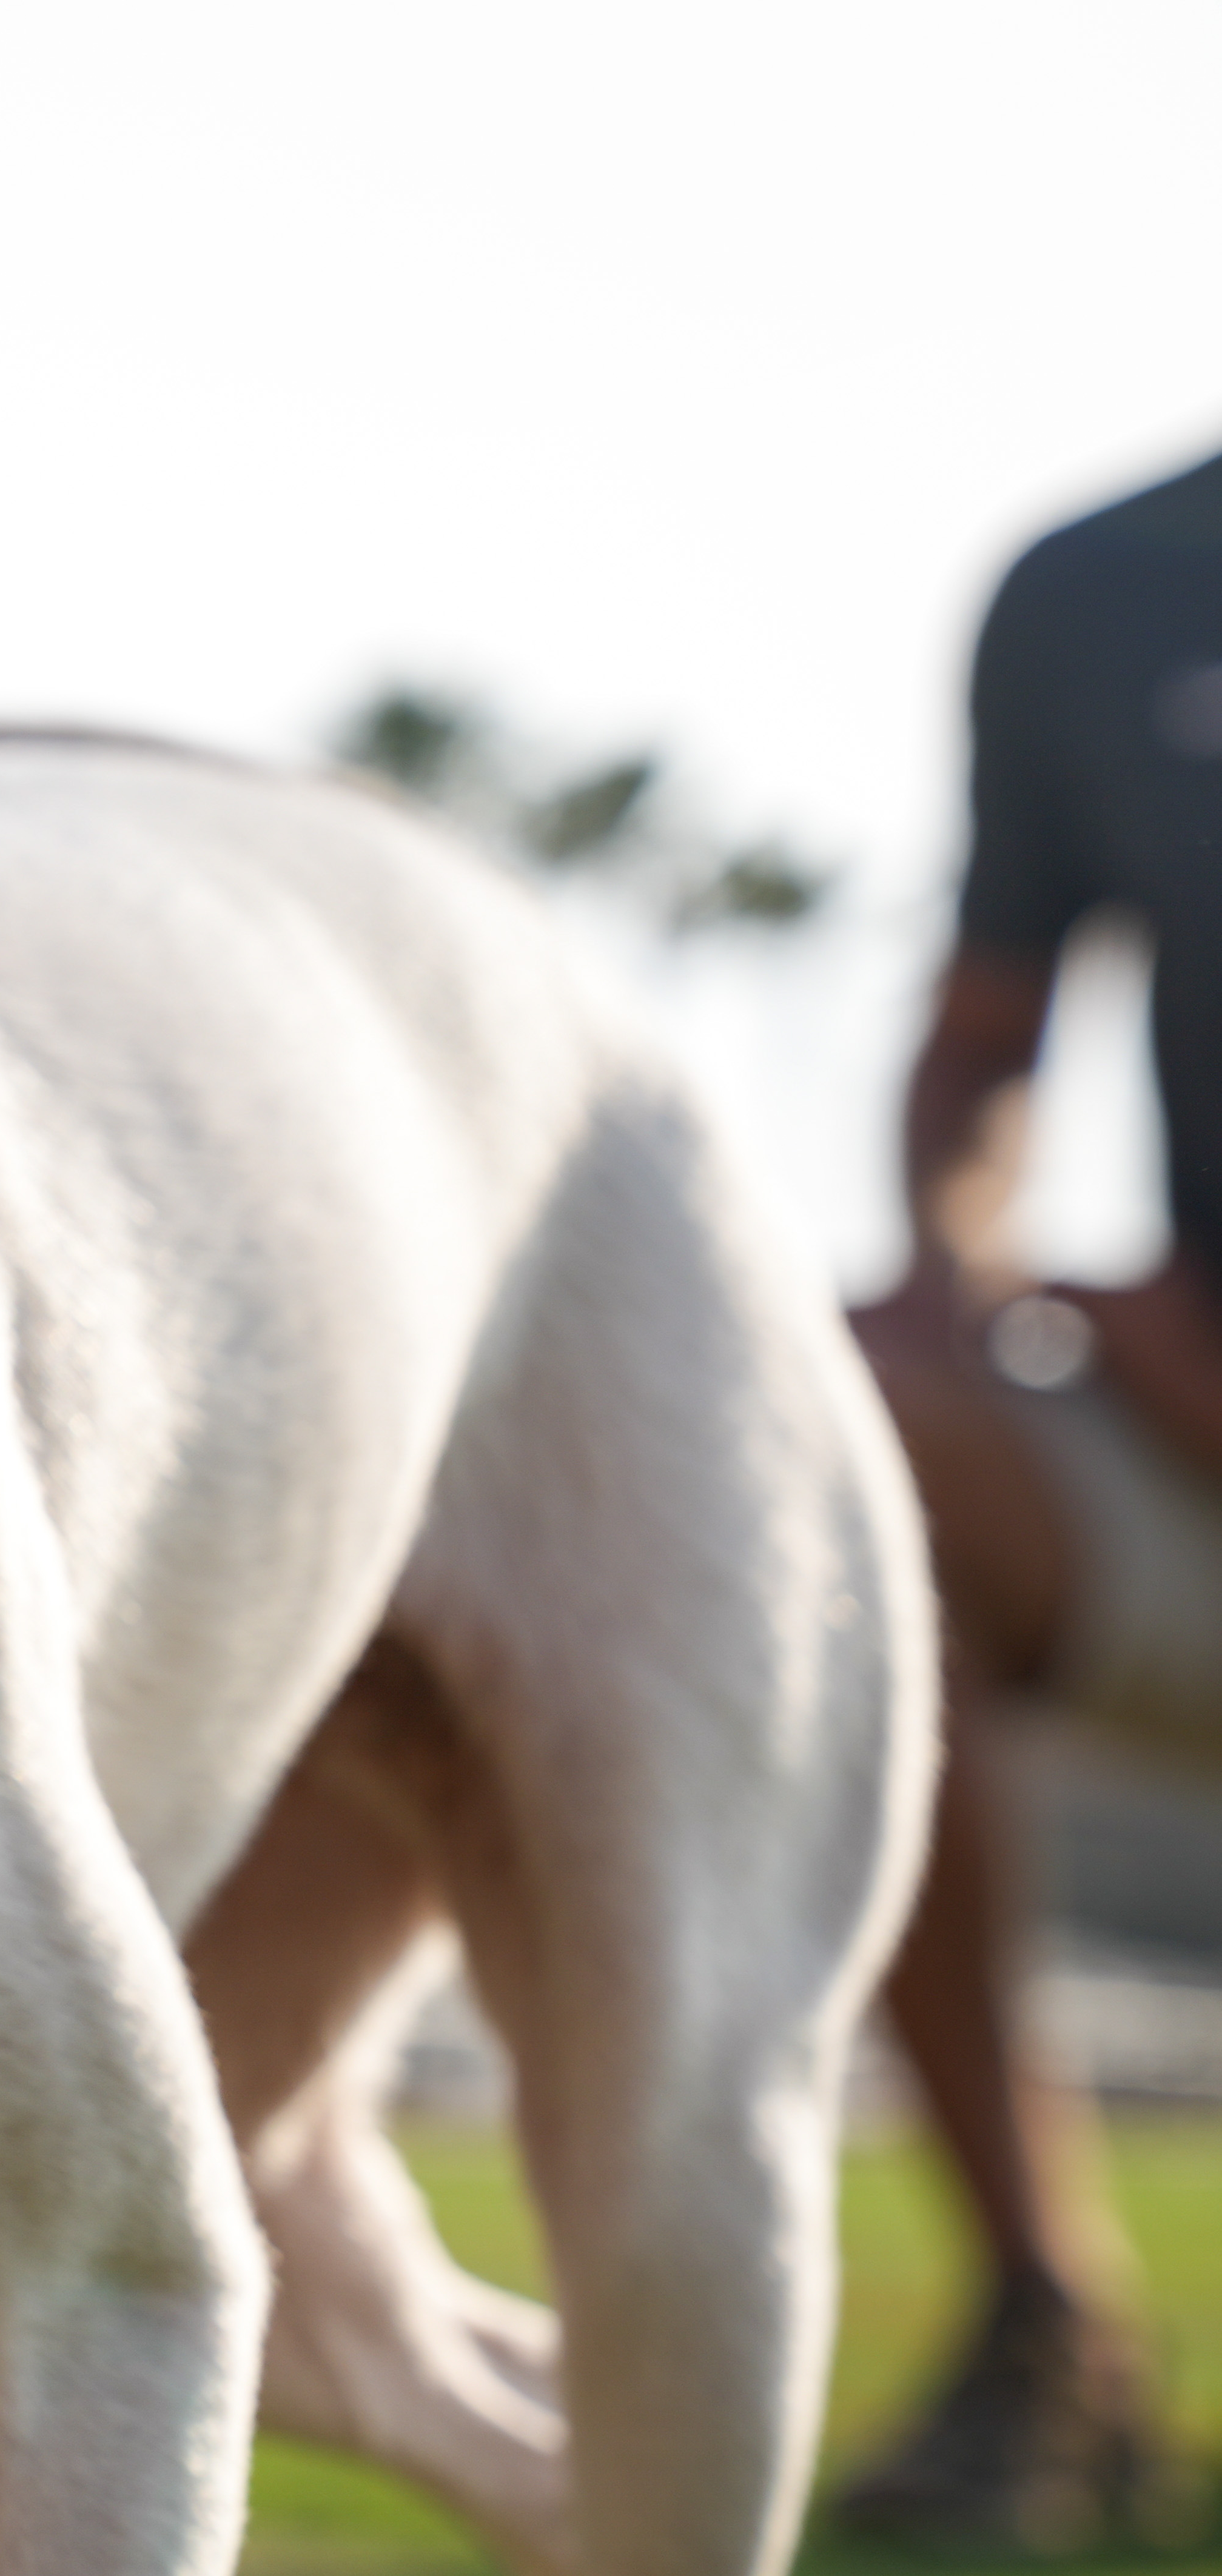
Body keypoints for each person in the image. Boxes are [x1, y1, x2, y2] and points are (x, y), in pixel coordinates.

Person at [840, 444, 1222, 2555]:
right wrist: (961, 1260)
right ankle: (1042, 2318)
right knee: (861, 1433)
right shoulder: (1107, 586)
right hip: (1189, 1464)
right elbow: (986, 1042)